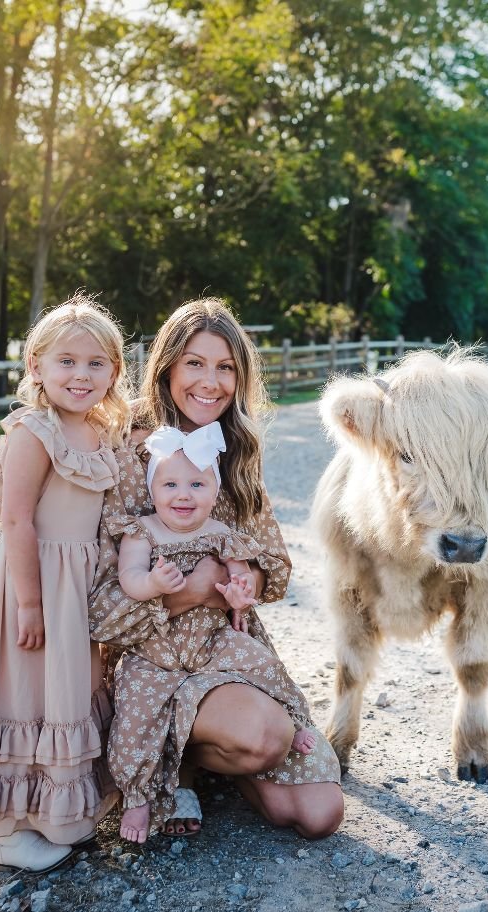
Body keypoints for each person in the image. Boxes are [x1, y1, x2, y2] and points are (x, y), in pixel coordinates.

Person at [89, 297, 343, 841]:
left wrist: (245, 577)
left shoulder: (236, 448)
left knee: (318, 814)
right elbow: (99, 606)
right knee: (263, 736)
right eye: (195, 364)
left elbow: (275, 561)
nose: (211, 381)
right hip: (152, 654)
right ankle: (178, 765)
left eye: (225, 367)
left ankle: (199, 758)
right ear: (167, 369)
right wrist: (194, 588)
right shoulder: (130, 450)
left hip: (222, 649)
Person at [0, 295, 131, 872]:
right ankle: (5, 828)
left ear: (114, 373)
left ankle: (55, 809)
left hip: (73, 588)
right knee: (22, 689)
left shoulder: (98, 430)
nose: (81, 375)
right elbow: (16, 519)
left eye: (96, 364)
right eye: (66, 361)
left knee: (61, 693)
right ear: (36, 367)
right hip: (31, 579)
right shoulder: (34, 430)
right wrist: (29, 601)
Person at [111, 422, 316, 843]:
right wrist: (154, 585)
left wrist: (238, 593)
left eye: (197, 485)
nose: (183, 494)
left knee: (261, 660)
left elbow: (243, 579)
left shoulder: (220, 534)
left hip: (210, 640)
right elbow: (129, 578)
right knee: (134, 712)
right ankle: (138, 796)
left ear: (214, 491)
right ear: (152, 489)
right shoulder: (142, 531)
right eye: (169, 484)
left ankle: (297, 720)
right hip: (155, 649)